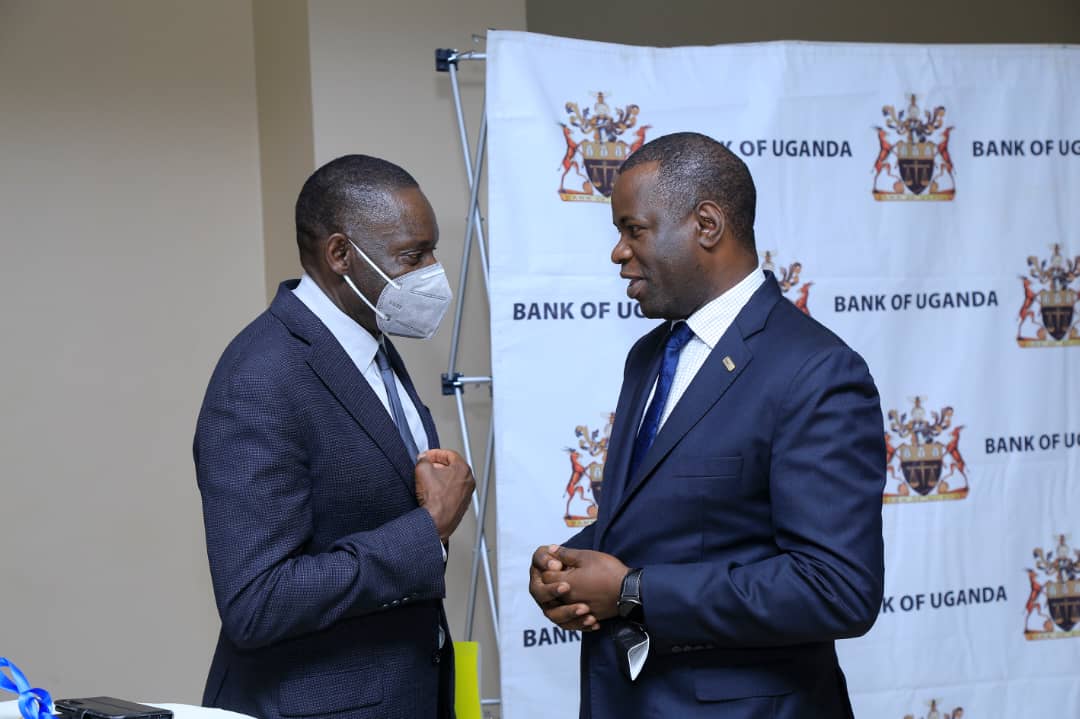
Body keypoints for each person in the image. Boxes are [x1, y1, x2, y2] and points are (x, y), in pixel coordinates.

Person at [529, 132, 885, 718]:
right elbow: (672, 521)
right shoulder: (649, 356)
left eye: (633, 229)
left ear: (707, 225)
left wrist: (631, 592)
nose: (618, 252)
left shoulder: (815, 371)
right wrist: (569, 565)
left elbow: (836, 588)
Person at [195, 154, 474, 719]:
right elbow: (257, 601)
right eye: (413, 256)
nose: (432, 272)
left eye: (433, 250)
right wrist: (426, 530)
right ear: (341, 255)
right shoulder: (261, 377)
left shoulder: (368, 341)